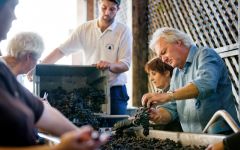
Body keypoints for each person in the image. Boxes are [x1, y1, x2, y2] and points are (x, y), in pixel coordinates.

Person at [0, 0, 108, 149]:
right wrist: (57, 149)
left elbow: (41, 110)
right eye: (12, 7)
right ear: (28, 57)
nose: (14, 17)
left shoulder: (3, 73)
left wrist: (81, 135)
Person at [28, 0, 132, 115]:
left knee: (117, 129)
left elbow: (125, 64)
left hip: (115, 91)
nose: (107, 12)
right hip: (91, 90)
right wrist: (38, 68)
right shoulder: (84, 29)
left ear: (118, 9)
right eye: (104, 8)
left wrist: (110, 65)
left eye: (112, 9)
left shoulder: (123, 31)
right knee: (91, 128)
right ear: (99, 5)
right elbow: (61, 50)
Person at [141, 27, 239, 134]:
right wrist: (158, 115)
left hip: (221, 135)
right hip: (194, 139)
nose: (163, 59)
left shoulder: (206, 54)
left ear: (178, 42)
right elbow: (172, 108)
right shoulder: (177, 73)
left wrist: (167, 95)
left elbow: (206, 85)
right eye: (160, 57)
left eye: (164, 52)